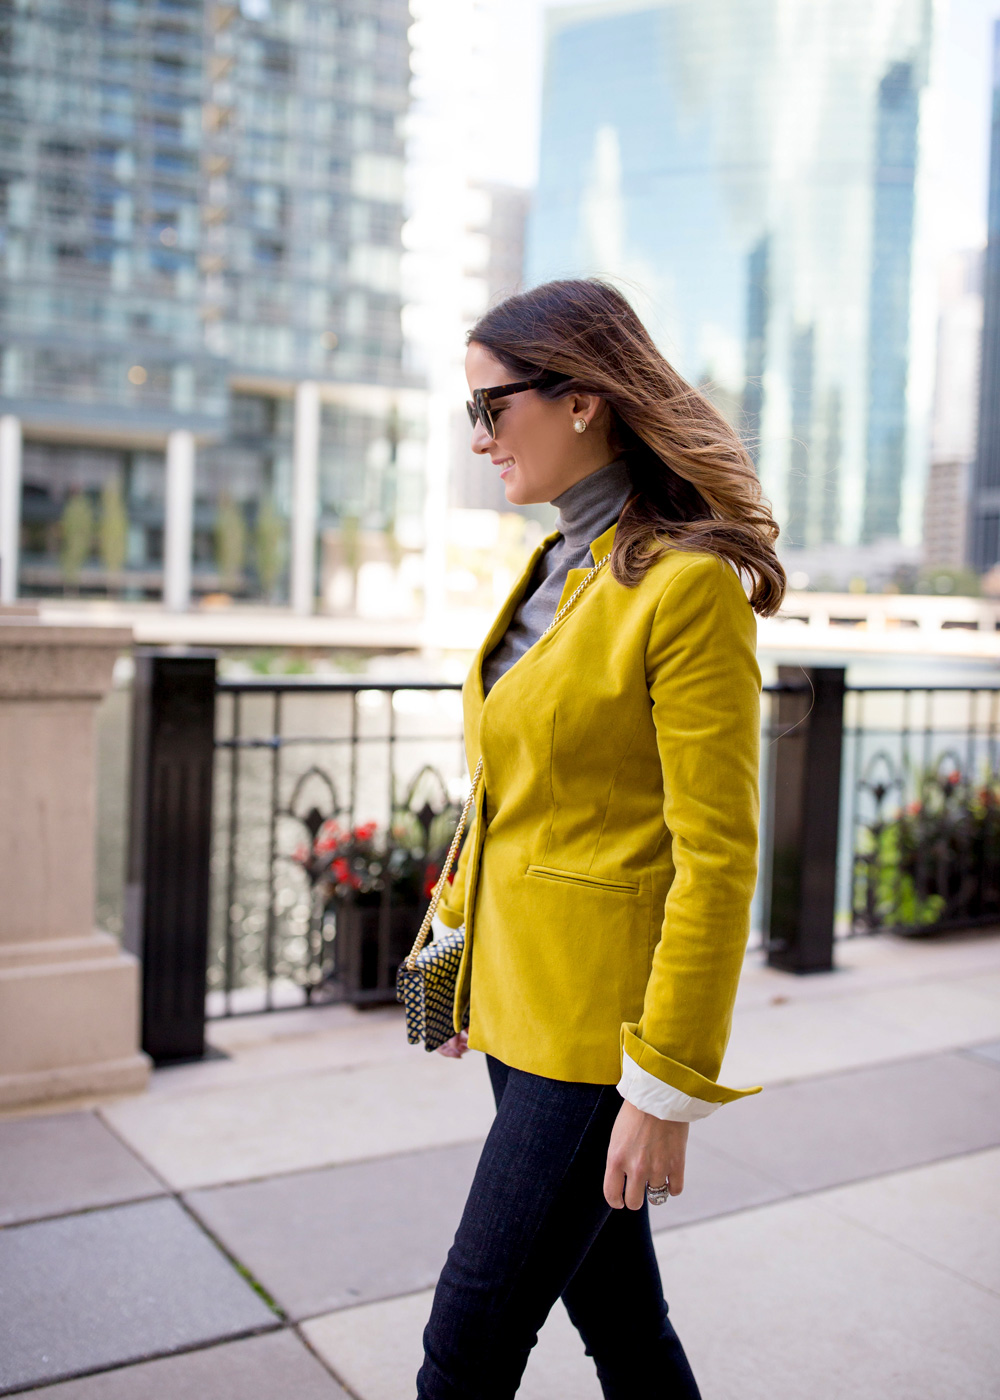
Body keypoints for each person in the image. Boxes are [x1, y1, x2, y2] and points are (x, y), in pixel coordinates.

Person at [416, 279, 785, 1400]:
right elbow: (508, 797)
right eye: (467, 414)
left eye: (492, 407)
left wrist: (663, 1089)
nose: (479, 438)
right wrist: (446, 961)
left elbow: (715, 858)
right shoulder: (545, 566)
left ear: (581, 400)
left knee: (464, 1346)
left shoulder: (684, 587)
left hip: (595, 1041)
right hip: (518, 1009)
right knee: (622, 1318)